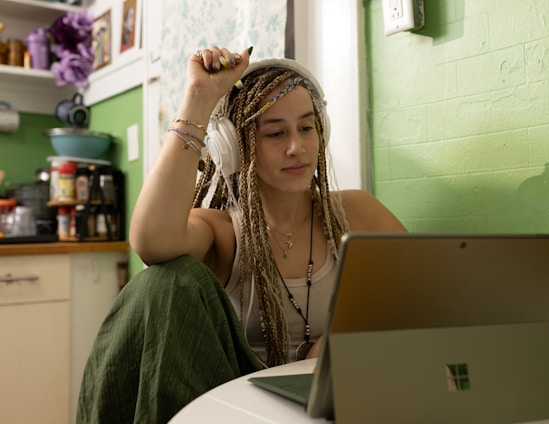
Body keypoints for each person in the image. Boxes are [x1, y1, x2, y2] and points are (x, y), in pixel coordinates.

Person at [76, 46, 406, 423]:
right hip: (237, 402)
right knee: (165, 281)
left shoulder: (356, 214)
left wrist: (342, 342)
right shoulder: (220, 231)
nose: (296, 147)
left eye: (306, 127)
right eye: (275, 133)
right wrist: (199, 99)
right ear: (234, 147)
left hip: (337, 396)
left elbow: (428, 299)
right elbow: (151, 242)